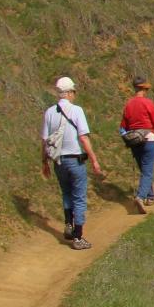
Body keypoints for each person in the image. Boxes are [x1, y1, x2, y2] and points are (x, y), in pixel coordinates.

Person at [40, 76, 103, 249]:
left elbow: (45, 141)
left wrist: (44, 162)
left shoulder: (49, 112)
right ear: (67, 93)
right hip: (75, 160)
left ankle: (68, 225)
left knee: (66, 193)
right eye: (73, 91)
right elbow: (83, 138)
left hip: (58, 162)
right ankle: (78, 237)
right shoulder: (77, 111)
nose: (74, 94)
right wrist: (94, 159)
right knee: (80, 198)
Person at [119, 76, 154, 212]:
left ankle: (151, 197)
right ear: (145, 88)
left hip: (134, 140)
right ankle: (140, 197)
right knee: (147, 172)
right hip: (148, 138)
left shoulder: (128, 104)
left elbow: (123, 127)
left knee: (144, 170)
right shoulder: (148, 103)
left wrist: (127, 138)